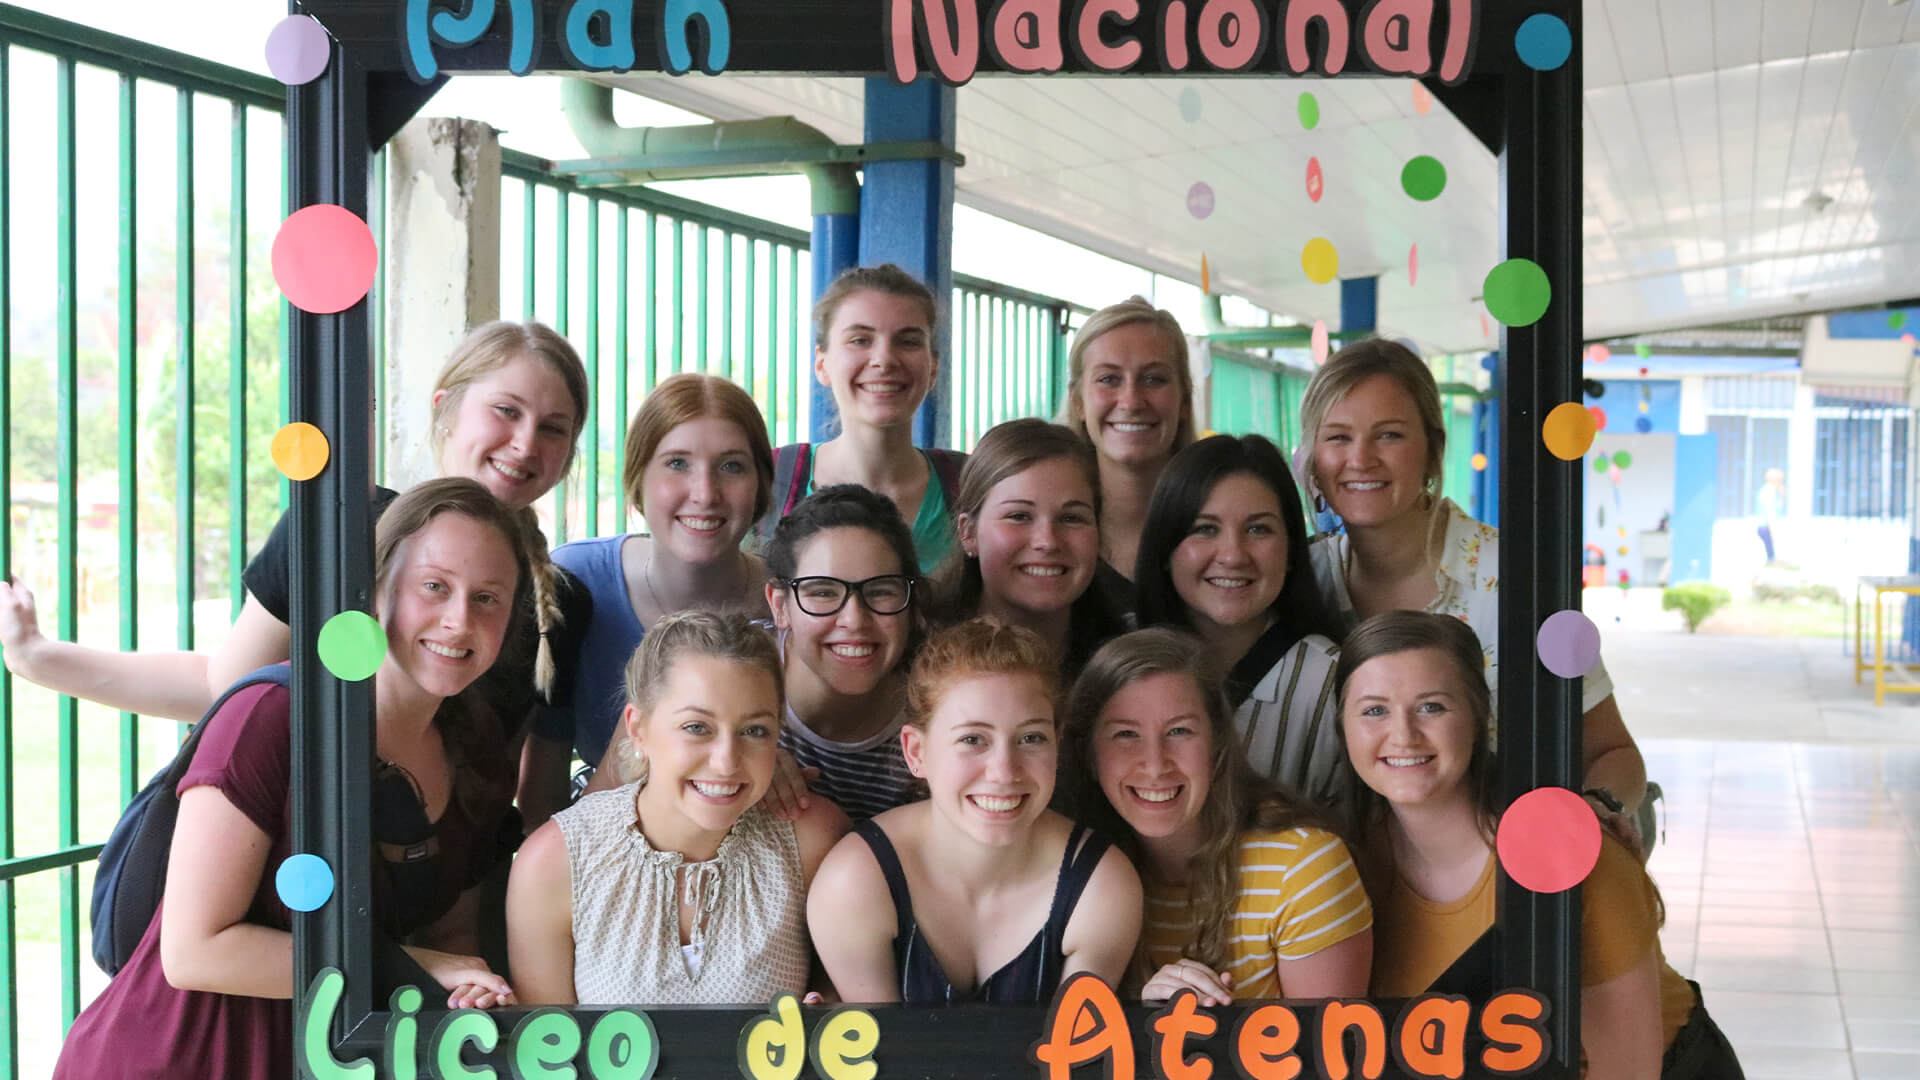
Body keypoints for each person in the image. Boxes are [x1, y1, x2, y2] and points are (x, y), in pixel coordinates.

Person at [53, 479, 537, 1080]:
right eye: (434, 586)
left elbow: (445, 947)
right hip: (176, 1060)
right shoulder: (272, 716)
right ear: (375, 587)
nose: (459, 620)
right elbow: (196, 951)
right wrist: (408, 966)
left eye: (488, 598)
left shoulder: (477, 750)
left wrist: (466, 989)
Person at [0, 320, 589, 745]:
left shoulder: (560, 601)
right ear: (446, 409)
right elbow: (228, 688)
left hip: (450, 896)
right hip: (306, 867)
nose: (525, 442)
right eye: (506, 411)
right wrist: (41, 659)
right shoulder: (340, 529)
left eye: (553, 428)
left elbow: (518, 789)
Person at [1335, 611, 1743, 1080]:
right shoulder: (1343, 862)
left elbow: (1627, 1071)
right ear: (1342, 727)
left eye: (1432, 707)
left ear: (1477, 717)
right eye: (1373, 710)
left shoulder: (1569, 858)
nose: (1403, 735)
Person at [1298, 338, 1647, 817]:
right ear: (1310, 458)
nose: (1360, 458)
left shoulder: (1521, 580)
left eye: (1389, 435)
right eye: (1337, 436)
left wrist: (1590, 822)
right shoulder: (1299, 582)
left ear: (1433, 450)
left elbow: (1615, 755)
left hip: (1503, 873)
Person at [507, 611, 847, 1005]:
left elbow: (851, 996)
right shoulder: (556, 861)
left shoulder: (811, 840)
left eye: (754, 730)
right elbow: (548, 1049)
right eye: (697, 727)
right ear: (638, 728)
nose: (726, 761)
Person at [807, 618, 1141, 1004]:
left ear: (1057, 743)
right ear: (917, 752)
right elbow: (881, 1055)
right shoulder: (855, 882)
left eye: (1031, 738)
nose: (1003, 771)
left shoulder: (1101, 884)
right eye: (972, 739)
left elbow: (1073, 1055)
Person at [1063, 627, 1371, 1004]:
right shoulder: (1070, 872)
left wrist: (1205, 1025)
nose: (1156, 765)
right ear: (1090, 755)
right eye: (1126, 734)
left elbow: (1330, 1055)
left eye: (1179, 731)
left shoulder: (1304, 866)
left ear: (1218, 745)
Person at [521, 374, 774, 827]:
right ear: (638, 478)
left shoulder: (794, 604)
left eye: (732, 466)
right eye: (677, 463)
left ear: (761, 485)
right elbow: (541, 798)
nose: (704, 492)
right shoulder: (576, 584)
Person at [1134, 434, 1348, 802]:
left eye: (1258, 529)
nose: (1233, 555)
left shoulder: (1331, 682)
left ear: (1292, 548)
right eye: (1205, 529)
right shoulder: (1119, 654)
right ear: (1165, 547)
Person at [752, 264, 965, 573]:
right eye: (860, 340)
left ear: (932, 366)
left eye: (908, 341)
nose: (884, 359)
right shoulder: (770, 482)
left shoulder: (969, 488)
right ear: (822, 363)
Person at [762, 485, 925, 822]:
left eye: (880, 592)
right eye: (823, 591)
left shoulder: (940, 699)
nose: (854, 620)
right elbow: (629, 767)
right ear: (780, 606)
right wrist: (732, 762)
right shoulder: (728, 668)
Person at [933, 419, 1124, 678]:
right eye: (1019, 516)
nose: (1047, 541)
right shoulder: (916, 655)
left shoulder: (1125, 670)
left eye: (1071, 518)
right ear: (968, 532)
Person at [1060, 297, 1198, 621]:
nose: (1132, 401)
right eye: (1109, 379)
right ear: (1078, 401)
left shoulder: (1223, 529)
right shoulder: (1043, 531)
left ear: (1185, 401)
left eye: (1154, 379)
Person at [1755, 467, 1784, 563]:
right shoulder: (1769, 491)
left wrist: (1781, 495)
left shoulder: (1767, 490)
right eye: (1780, 480)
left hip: (1765, 527)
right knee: (1771, 559)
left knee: (1771, 558)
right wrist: (1773, 531)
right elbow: (1770, 513)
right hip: (1766, 527)